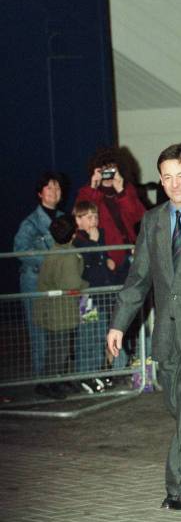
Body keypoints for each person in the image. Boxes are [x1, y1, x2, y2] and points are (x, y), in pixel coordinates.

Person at [107, 143, 181, 510]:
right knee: (177, 402)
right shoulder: (152, 222)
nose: (174, 184)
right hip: (166, 335)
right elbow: (139, 280)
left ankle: (179, 487)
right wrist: (119, 324)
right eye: (166, 177)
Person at [13, 172, 64, 386]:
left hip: (57, 284)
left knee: (58, 332)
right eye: (49, 188)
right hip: (35, 284)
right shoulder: (30, 223)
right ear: (40, 193)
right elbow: (20, 250)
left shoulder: (63, 217)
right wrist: (49, 262)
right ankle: (41, 380)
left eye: (57, 188)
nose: (54, 192)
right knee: (39, 334)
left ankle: (57, 376)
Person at [34, 215, 88, 399]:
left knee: (56, 348)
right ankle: (50, 383)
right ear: (73, 233)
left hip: (53, 310)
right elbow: (71, 284)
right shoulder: (68, 256)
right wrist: (87, 285)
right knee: (60, 349)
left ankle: (55, 379)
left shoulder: (55, 252)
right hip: (60, 311)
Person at [77, 147, 145, 284]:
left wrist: (121, 191)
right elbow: (84, 217)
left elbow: (139, 216)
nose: (108, 174)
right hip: (107, 255)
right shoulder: (88, 192)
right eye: (104, 170)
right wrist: (93, 187)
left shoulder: (126, 189)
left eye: (111, 170)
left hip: (130, 252)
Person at [73, 201, 116, 393]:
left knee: (100, 335)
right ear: (78, 220)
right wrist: (94, 242)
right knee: (88, 337)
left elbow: (102, 257)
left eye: (96, 216)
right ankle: (85, 374)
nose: (94, 220)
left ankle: (98, 371)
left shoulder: (100, 234)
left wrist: (105, 257)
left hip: (101, 295)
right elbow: (89, 261)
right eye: (89, 217)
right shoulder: (79, 240)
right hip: (87, 298)